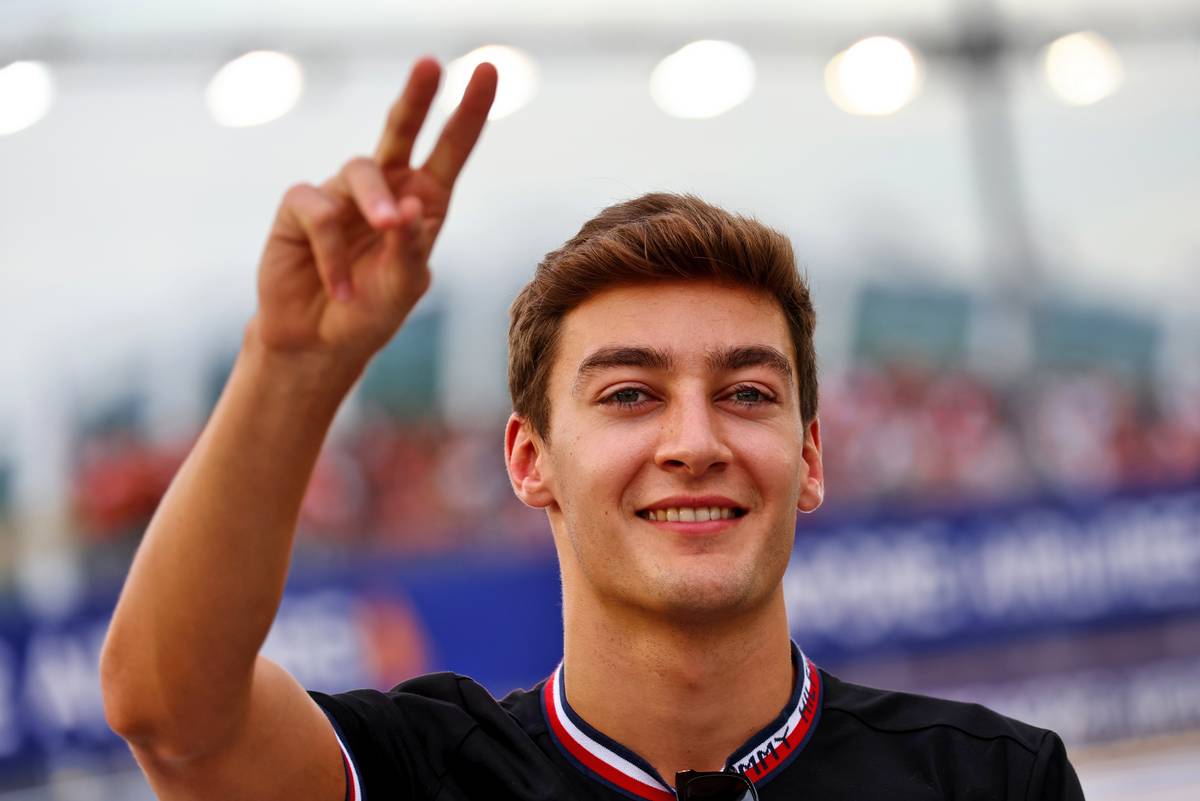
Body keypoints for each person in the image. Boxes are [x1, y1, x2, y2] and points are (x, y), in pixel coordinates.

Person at [99, 57, 1085, 801]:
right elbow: (173, 713)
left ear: (811, 456)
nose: (695, 441)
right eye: (629, 396)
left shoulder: (990, 780)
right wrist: (293, 368)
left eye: (746, 393)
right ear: (531, 461)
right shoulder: (422, 773)